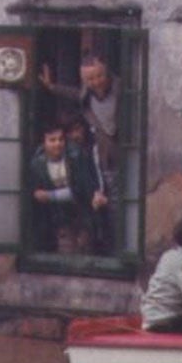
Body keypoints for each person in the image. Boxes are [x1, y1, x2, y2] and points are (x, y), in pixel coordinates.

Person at [40, 54, 120, 244]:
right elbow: (74, 93)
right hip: (104, 156)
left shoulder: (122, 90)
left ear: (106, 72)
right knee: (107, 203)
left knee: (118, 204)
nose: (96, 82)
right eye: (90, 79)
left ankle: (117, 246)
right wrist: (52, 87)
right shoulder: (87, 93)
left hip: (124, 154)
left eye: (99, 76)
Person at [27, 121, 100, 254]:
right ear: (43, 142)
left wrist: (50, 196)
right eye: (52, 140)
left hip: (81, 212)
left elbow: (81, 190)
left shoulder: (76, 156)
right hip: (57, 219)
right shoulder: (37, 164)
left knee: (85, 251)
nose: (57, 144)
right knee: (66, 253)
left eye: (61, 139)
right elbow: (36, 195)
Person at [64, 113, 110, 253]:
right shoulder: (73, 153)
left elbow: (95, 172)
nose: (76, 134)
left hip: (92, 198)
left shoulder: (91, 149)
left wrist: (98, 192)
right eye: (72, 131)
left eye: (78, 129)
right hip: (77, 201)